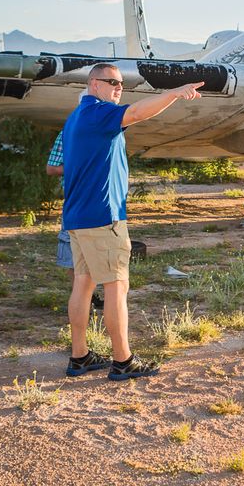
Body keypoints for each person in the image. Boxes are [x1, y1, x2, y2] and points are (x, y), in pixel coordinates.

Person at [62, 64, 204, 380]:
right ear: (93, 84)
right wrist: (175, 93)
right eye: (111, 82)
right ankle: (123, 361)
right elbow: (138, 113)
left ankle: (80, 356)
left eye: (121, 83)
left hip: (80, 216)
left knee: (83, 284)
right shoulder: (97, 114)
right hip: (102, 217)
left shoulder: (77, 118)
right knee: (117, 286)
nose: (118, 87)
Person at [47, 129, 102, 311]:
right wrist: (80, 166)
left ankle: (90, 297)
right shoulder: (67, 133)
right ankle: (83, 299)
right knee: (73, 255)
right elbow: (52, 168)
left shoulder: (107, 129)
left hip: (101, 203)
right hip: (76, 203)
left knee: (98, 253)